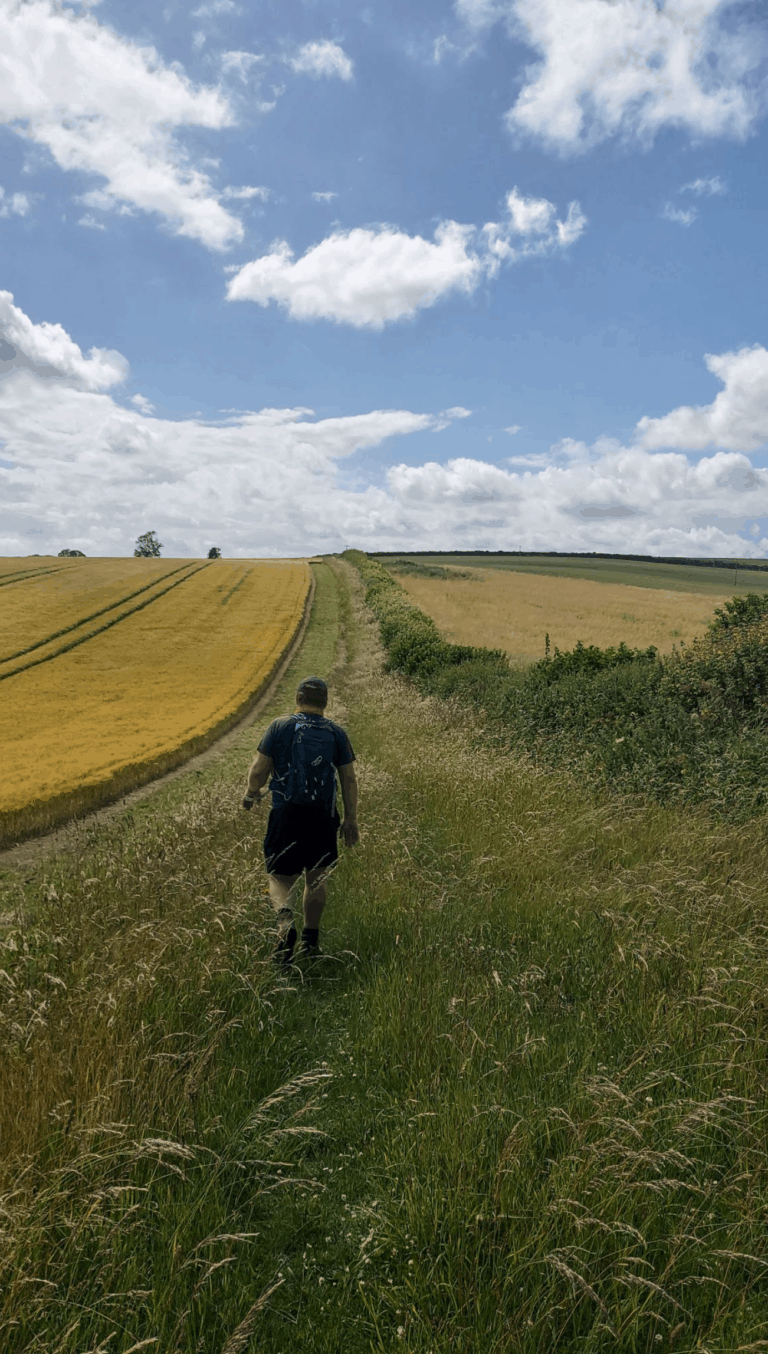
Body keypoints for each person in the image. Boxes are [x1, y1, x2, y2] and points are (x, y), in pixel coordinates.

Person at [242, 676, 358, 964]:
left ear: (298, 699)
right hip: (322, 816)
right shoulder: (336, 732)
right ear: (325, 702)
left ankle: (284, 922)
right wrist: (351, 820)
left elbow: (258, 770)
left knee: (280, 877)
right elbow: (349, 778)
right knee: (316, 878)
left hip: (286, 813)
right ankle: (310, 941)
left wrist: (250, 793)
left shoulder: (279, 727)